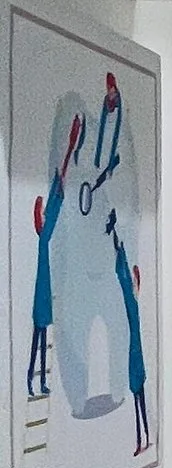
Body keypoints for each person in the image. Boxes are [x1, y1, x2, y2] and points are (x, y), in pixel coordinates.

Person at [25, 98, 84, 402]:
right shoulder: (43, 239)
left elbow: (56, 206)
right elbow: (53, 209)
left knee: (42, 335)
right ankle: (31, 380)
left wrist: (68, 156)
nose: (47, 216)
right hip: (41, 298)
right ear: (40, 220)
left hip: (45, 297)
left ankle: (39, 382)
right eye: (43, 214)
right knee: (38, 337)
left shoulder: (45, 237)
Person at [106, 207, 149, 457]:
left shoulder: (133, 302)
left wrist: (117, 240)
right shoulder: (129, 297)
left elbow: (125, 276)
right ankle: (141, 438)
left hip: (137, 360)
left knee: (139, 400)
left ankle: (142, 437)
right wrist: (115, 240)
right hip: (135, 360)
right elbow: (121, 272)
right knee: (137, 400)